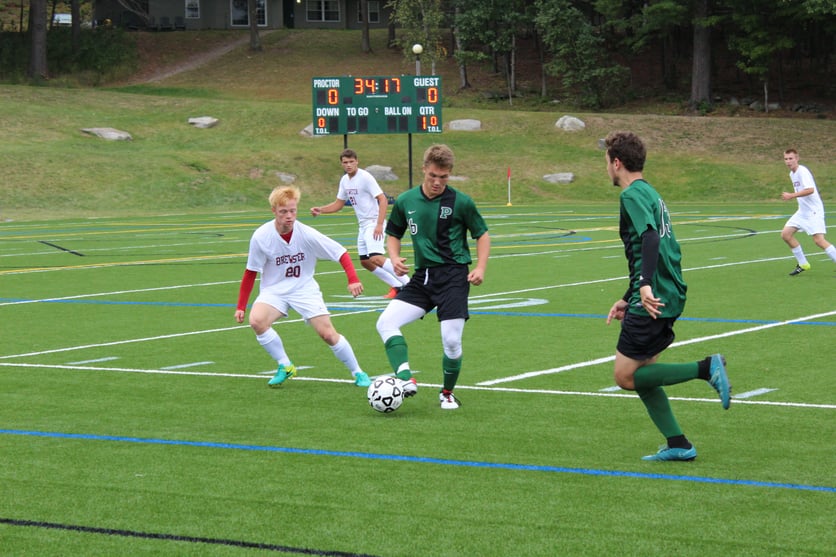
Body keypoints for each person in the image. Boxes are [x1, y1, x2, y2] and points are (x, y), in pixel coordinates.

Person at [603, 131, 731, 461]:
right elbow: (656, 247)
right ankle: (678, 443)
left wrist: (643, 287)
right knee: (645, 375)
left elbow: (648, 238)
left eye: (606, 162)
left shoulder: (631, 196)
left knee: (625, 376)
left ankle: (705, 368)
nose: (605, 168)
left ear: (617, 163)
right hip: (667, 292)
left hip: (654, 296)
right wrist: (629, 294)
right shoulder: (651, 193)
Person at [375, 144, 490, 410]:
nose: (438, 182)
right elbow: (394, 233)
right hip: (423, 277)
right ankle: (405, 378)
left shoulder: (461, 201)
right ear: (424, 169)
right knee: (385, 323)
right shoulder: (405, 201)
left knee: (451, 341)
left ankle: (447, 392)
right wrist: (393, 257)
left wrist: (481, 267)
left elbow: (482, 234)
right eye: (433, 176)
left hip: (453, 277)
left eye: (444, 177)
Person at [234, 185, 372, 388]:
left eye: (293, 211)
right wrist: (241, 306)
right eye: (283, 212)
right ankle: (285, 365)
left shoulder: (307, 234)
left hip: (304, 288)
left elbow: (340, 252)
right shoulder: (261, 236)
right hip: (275, 290)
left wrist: (353, 279)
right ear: (274, 211)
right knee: (257, 321)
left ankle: (358, 372)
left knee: (328, 334)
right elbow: (250, 271)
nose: (289, 216)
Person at [311, 149, 409, 298]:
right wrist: (321, 210)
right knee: (365, 262)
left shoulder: (365, 177)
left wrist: (379, 224)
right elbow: (339, 203)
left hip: (373, 223)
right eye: (345, 162)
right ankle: (397, 286)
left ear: (357, 161)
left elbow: (382, 199)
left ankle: (410, 285)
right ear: (341, 164)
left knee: (376, 257)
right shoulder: (344, 180)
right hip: (363, 226)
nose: (349, 165)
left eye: (351, 162)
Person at [780, 148, 836, 276]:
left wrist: (791, 195)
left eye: (791, 158)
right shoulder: (792, 174)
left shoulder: (802, 171)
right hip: (802, 212)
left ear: (797, 158)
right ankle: (803, 263)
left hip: (813, 212)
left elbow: (810, 190)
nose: (788, 161)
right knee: (786, 234)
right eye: (786, 159)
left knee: (819, 241)